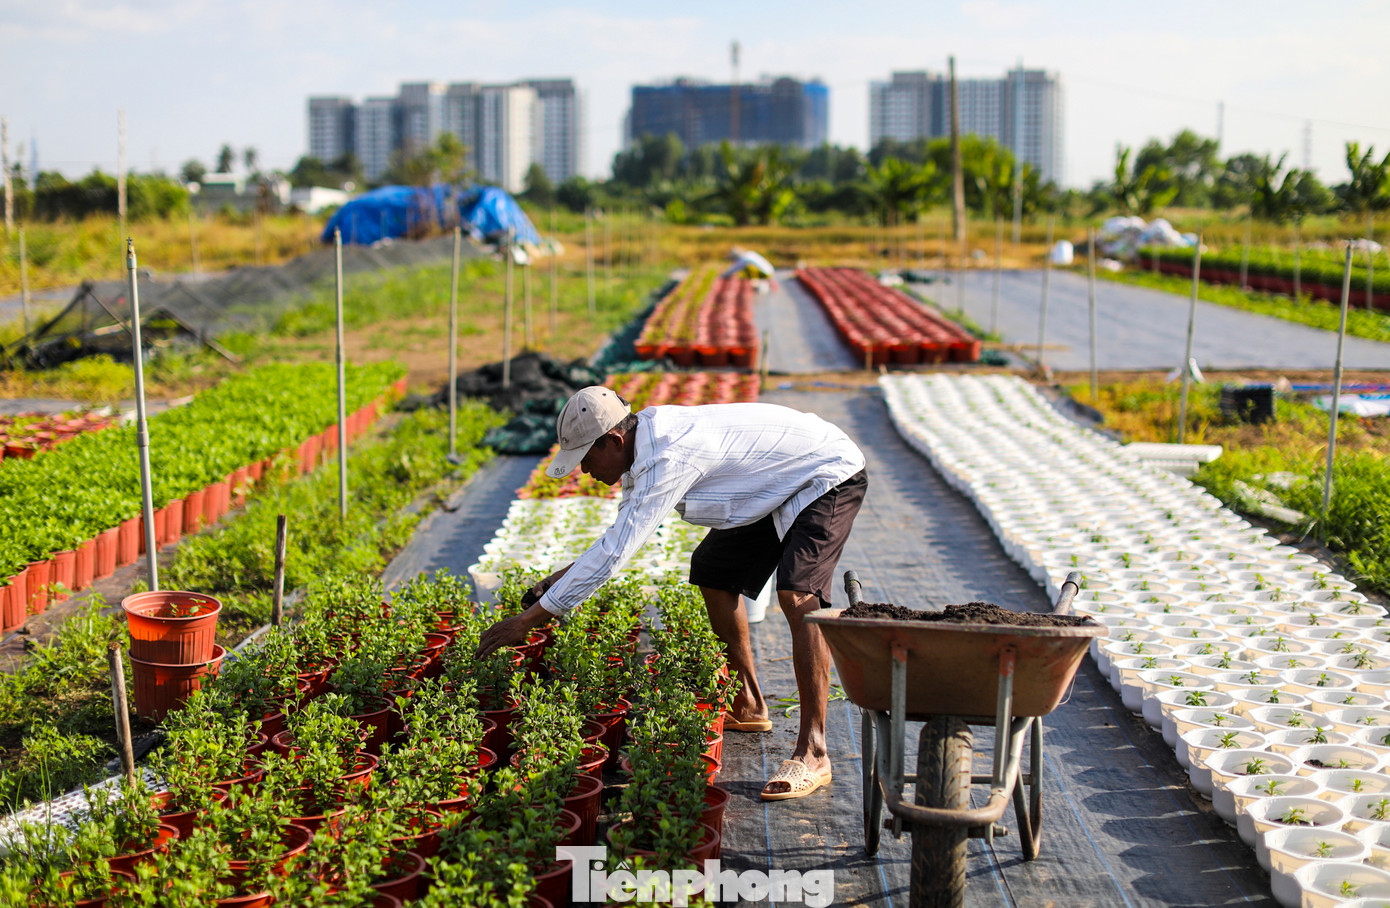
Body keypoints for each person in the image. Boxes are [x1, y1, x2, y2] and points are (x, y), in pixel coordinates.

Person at [477, 386, 867, 801]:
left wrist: (527, 620)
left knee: (797, 595)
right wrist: (563, 576)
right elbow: (623, 534)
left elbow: (616, 553)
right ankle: (749, 704)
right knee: (714, 570)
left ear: (613, 440)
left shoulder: (667, 455)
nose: (585, 471)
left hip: (825, 472)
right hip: (774, 481)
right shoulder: (640, 447)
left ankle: (814, 752)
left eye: (587, 460)